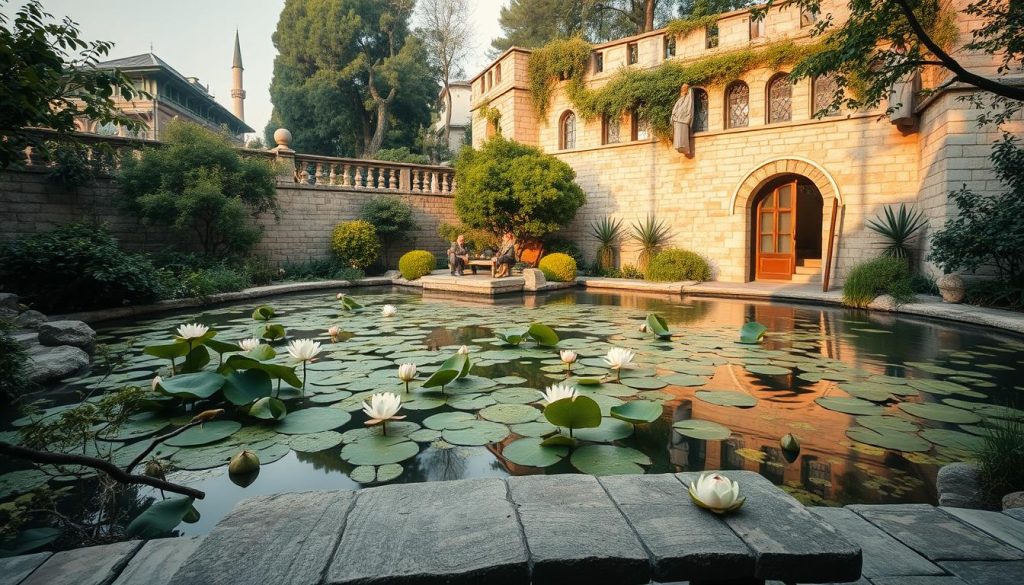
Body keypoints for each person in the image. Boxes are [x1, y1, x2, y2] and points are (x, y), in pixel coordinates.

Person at [672, 84, 694, 156]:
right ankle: (678, 144)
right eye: (682, 88)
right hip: (678, 119)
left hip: (682, 119)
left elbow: (687, 106)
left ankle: (682, 145)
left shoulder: (688, 97)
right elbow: (677, 107)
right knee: (678, 133)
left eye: (684, 88)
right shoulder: (682, 98)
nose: (682, 89)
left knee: (682, 133)